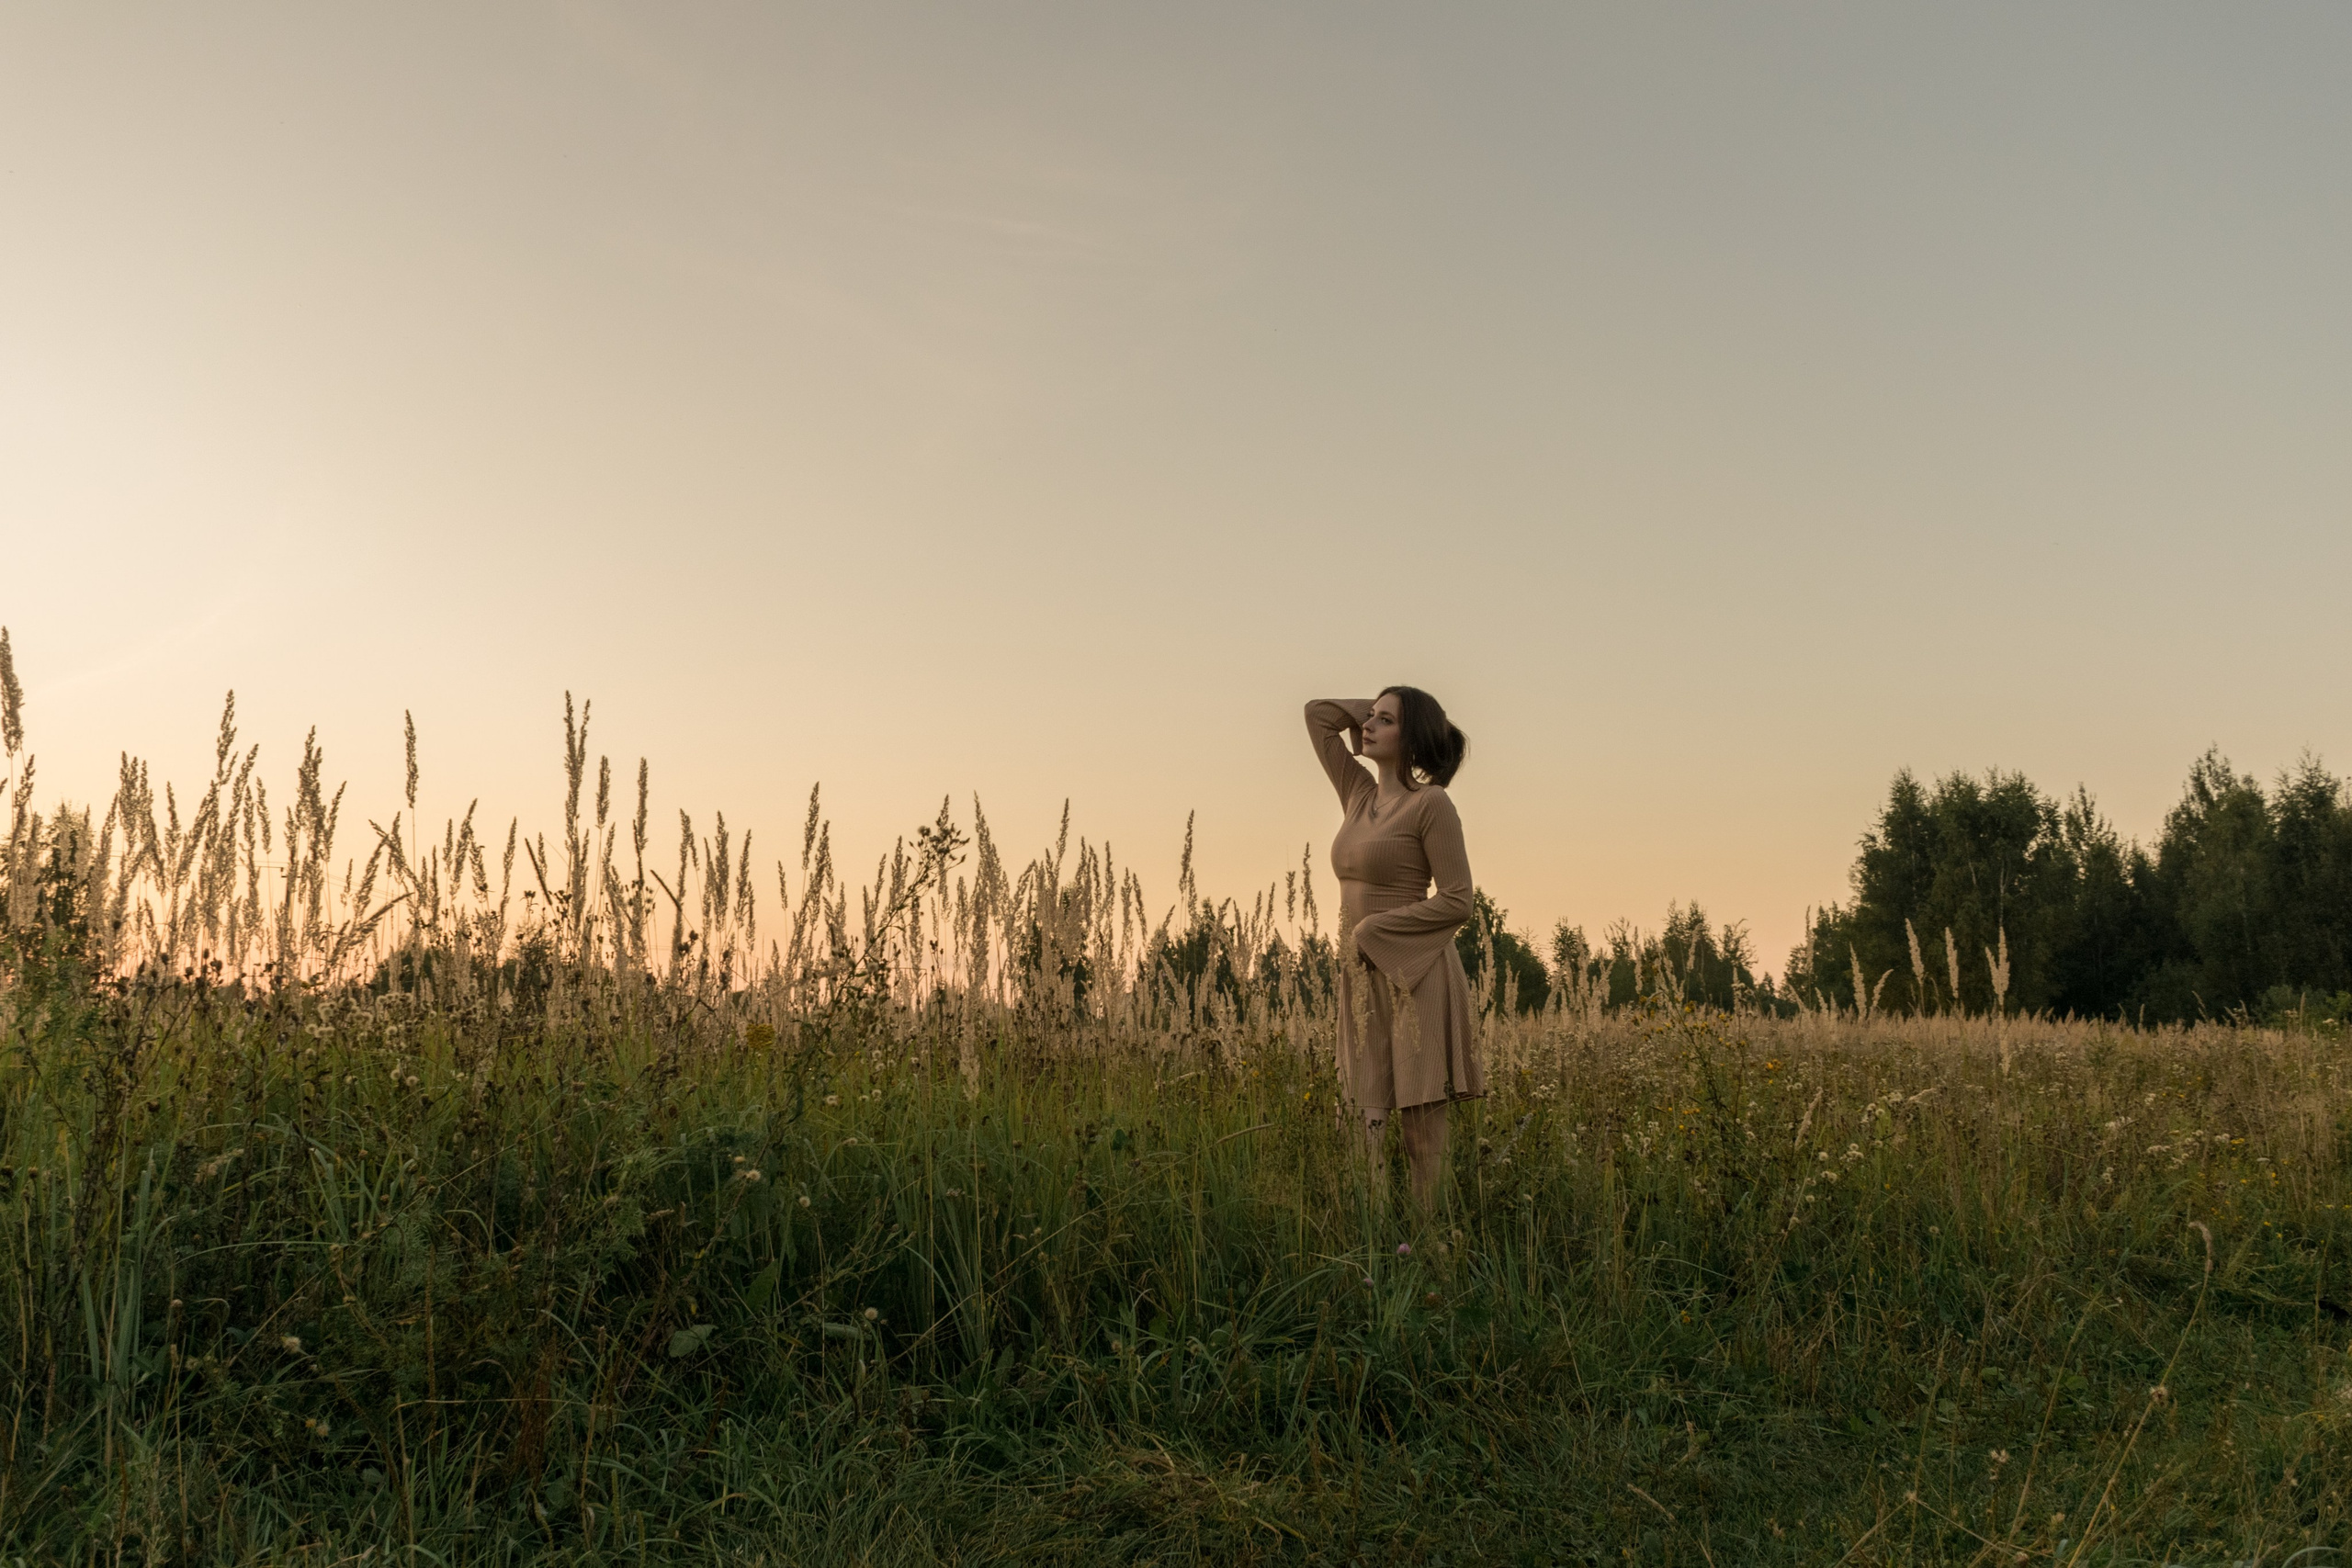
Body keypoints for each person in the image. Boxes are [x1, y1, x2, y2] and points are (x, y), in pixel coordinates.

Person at [1303, 688, 1482, 1208]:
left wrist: (1371, 932)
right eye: (1369, 719)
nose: (1369, 727)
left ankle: (1430, 1256)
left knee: (1420, 1138)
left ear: (1412, 737)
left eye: (1386, 721)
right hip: (1360, 980)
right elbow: (1316, 717)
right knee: (1364, 1129)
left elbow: (1457, 901)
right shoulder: (1357, 793)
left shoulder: (1431, 804)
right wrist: (1371, 708)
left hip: (1416, 975)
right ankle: (1376, 1257)